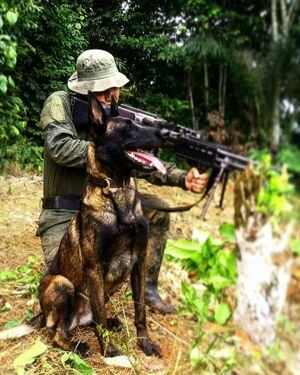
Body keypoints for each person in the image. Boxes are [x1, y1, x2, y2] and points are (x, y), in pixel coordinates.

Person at [38, 49, 208, 314]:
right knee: (70, 279)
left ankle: (148, 289)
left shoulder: (117, 117)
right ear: (85, 90)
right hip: (65, 211)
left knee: (157, 212)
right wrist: (106, 150)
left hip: (108, 207)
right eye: (103, 90)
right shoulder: (59, 102)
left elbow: (139, 161)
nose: (111, 95)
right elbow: (58, 147)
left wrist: (182, 177)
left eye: (114, 88)